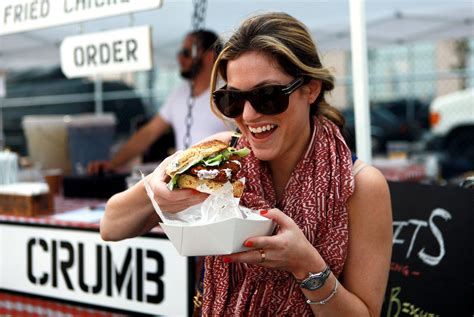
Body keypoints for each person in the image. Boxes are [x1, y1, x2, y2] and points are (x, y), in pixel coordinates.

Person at [101, 12, 392, 316]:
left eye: (268, 96)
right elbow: (111, 226)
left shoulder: (360, 186)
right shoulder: (222, 156)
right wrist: (156, 187)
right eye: (233, 100)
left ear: (311, 88)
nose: (249, 116)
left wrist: (306, 266)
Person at [87, 29, 229, 174]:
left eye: (186, 53)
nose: (180, 59)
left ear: (209, 56)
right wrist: (113, 164)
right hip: (185, 182)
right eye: (179, 53)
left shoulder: (227, 92)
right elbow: (149, 133)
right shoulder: (179, 93)